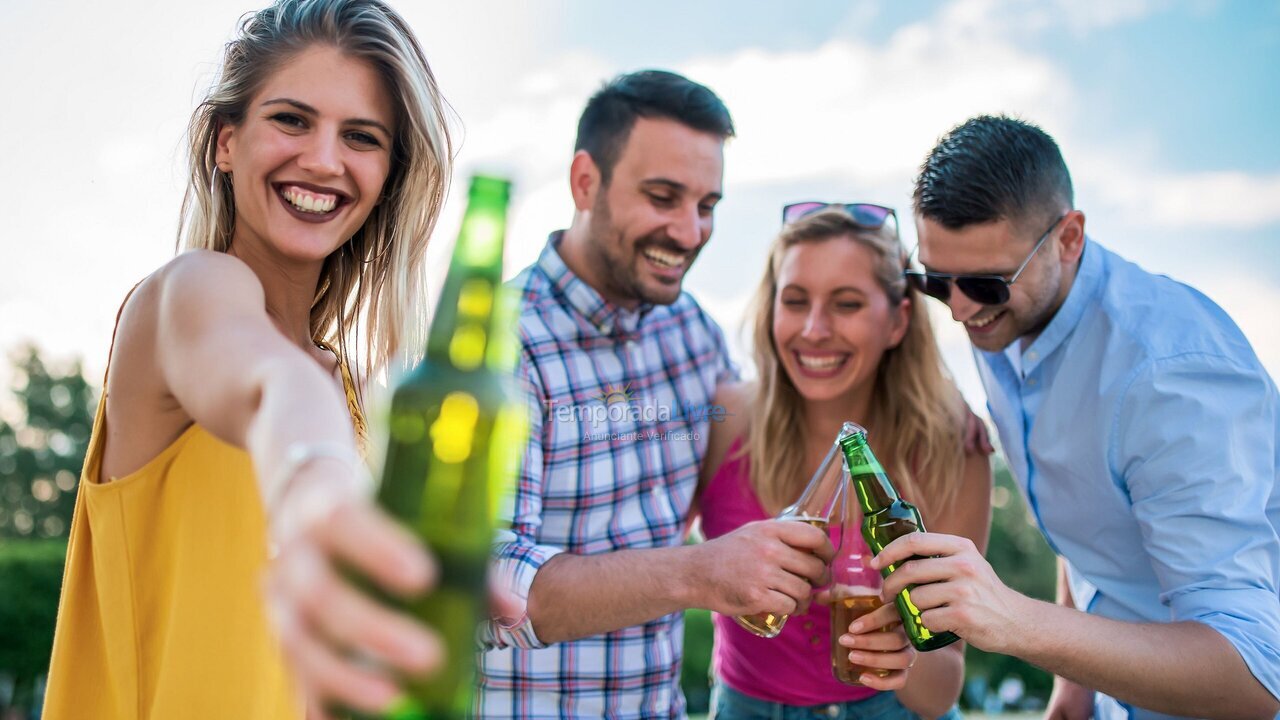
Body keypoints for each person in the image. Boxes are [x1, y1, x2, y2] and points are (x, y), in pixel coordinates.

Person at [42, 1, 455, 717]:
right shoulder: (190, 293)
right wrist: (314, 483)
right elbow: (269, 384)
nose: (324, 159)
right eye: (292, 120)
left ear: (389, 174)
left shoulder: (354, 393)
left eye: (361, 137)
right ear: (226, 141)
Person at [848, 114, 1280, 720]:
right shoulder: (1009, 322)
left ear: (1069, 238)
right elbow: (1086, 520)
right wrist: (1074, 692)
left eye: (986, 284)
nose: (960, 311)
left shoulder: (1169, 374)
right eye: (936, 282)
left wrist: (1012, 619)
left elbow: (1256, 676)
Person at [477, 70, 834, 718]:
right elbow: (490, 587)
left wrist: (935, 411)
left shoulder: (691, 330)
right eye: (664, 197)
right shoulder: (503, 344)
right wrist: (700, 572)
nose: (691, 232)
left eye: (707, 206)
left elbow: (760, 415)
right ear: (585, 182)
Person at [698, 204, 992, 720]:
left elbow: (943, 686)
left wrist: (905, 649)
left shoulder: (952, 451)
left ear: (899, 320)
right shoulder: (725, 420)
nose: (813, 329)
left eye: (847, 303)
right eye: (794, 300)